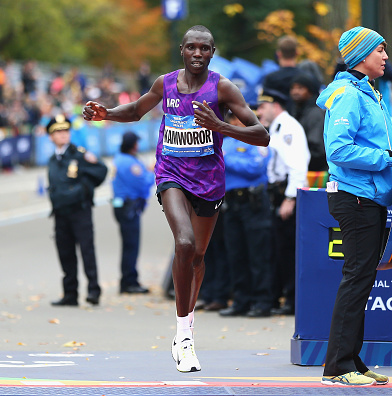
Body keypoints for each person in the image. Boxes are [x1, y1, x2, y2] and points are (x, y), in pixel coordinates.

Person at [82, 25, 269, 373]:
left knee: (198, 255)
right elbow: (137, 110)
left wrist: (221, 126)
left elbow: (262, 135)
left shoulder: (224, 88)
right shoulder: (165, 83)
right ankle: (184, 335)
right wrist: (106, 113)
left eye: (205, 48)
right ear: (182, 50)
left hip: (209, 182)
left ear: (212, 52)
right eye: (191, 48)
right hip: (171, 173)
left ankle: (187, 321)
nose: (197, 54)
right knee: (183, 244)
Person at [316, 26, 392, 386]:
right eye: (380, 50)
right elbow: (337, 150)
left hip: (367, 197)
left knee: (362, 278)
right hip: (354, 197)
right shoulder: (350, 94)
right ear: (362, 55)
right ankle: (337, 367)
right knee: (357, 278)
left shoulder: (371, 92)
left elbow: (383, 135)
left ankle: (352, 360)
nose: (386, 56)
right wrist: (386, 157)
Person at [255, 88, 310, 316]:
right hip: (277, 191)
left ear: (275, 106)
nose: (259, 111)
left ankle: (292, 299)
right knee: (279, 248)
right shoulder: (275, 128)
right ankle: (283, 296)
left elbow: (298, 164)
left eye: (262, 106)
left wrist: (290, 198)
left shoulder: (289, 128)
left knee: (288, 249)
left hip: (287, 191)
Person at [47, 114, 108, 307]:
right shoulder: (52, 160)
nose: (63, 135)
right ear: (51, 137)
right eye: (58, 132)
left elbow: (100, 171)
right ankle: (70, 293)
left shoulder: (79, 154)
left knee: (87, 251)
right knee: (65, 254)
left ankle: (93, 291)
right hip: (60, 214)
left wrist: (84, 189)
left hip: (79, 211)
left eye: (65, 131)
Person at [218, 110, 273, 318]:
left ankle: (262, 301)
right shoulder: (225, 142)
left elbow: (255, 167)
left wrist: (227, 160)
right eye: (233, 119)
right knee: (236, 253)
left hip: (253, 203)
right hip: (231, 203)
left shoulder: (257, 140)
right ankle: (241, 300)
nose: (236, 123)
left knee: (258, 254)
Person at [111, 131, 154, 294]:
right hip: (129, 207)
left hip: (121, 205)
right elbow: (143, 184)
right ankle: (129, 281)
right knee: (131, 246)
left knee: (128, 245)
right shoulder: (130, 163)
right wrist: (152, 171)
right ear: (133, 144)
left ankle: (128, 280)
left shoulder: (119, 159)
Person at [289, 71, 327, 171]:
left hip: (314, 173)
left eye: (300, 88)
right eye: (293, 88)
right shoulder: (297, 111)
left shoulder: (315, 113)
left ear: (311, 91)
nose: (295, 92)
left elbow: (317, 150)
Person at [262, 35, 301, 112]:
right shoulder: (305, 77)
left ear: (278, 54)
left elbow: (265, 104)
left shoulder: (271, 79)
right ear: (297, 53)